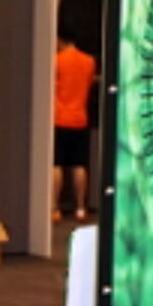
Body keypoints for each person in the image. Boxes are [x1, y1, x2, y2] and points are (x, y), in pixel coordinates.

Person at [52, 26, 97, 222]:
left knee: (56, 165)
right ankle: (80, 208)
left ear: (59, 39)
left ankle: (54, 208)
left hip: (59, 118)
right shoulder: (89, 61)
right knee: (79, 165)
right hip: (80, 118)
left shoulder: (55, 60)